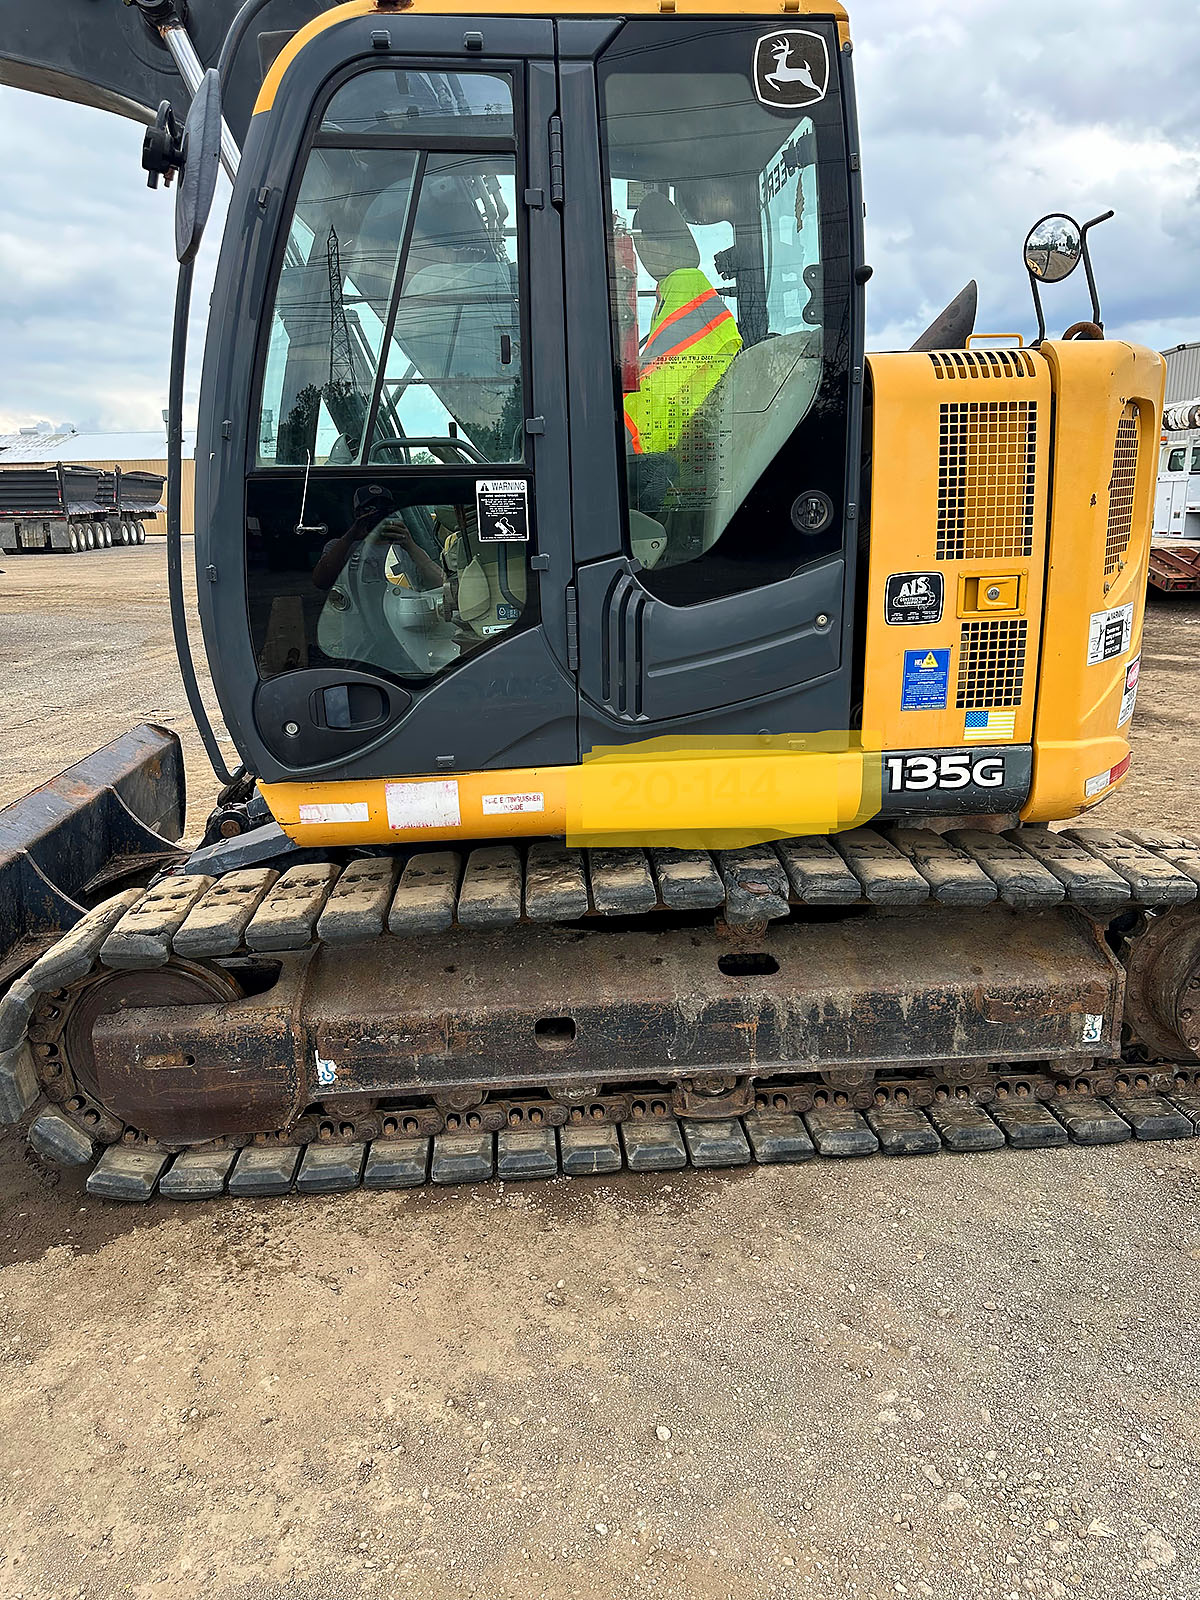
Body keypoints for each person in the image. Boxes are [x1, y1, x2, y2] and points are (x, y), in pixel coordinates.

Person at [621, 191, 743, 459]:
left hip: (680, 444)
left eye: (639, 245)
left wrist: (618, 426)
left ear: (660, 246)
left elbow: (660, 384)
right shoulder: (676, 288)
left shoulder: (684, 288)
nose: (639, 256)